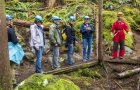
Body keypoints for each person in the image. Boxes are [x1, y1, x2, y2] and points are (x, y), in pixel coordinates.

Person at [6, 14, 24, 85]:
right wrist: (18, 39)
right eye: (10, 20)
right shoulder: (10, 30)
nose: (12, 21)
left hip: (5, 49)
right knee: (12, 67)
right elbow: (15, 41)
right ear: (8, 21)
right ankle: (12, 81)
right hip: (11, 49)